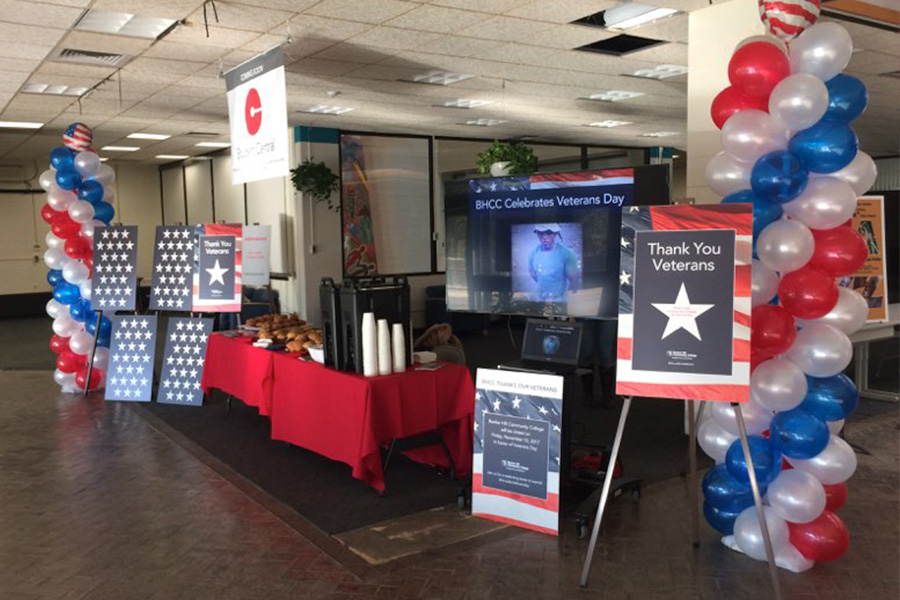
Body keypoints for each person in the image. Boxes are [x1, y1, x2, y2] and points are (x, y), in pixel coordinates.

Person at [528, 223, 580, 302]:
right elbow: (532, 273)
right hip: (539, 298)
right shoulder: (533, 253)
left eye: (549, 233)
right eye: (541, 233)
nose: (545, 237)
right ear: (537, 234)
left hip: (559, 300)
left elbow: (573, 278)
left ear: (555, 234)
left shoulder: (567, 253)